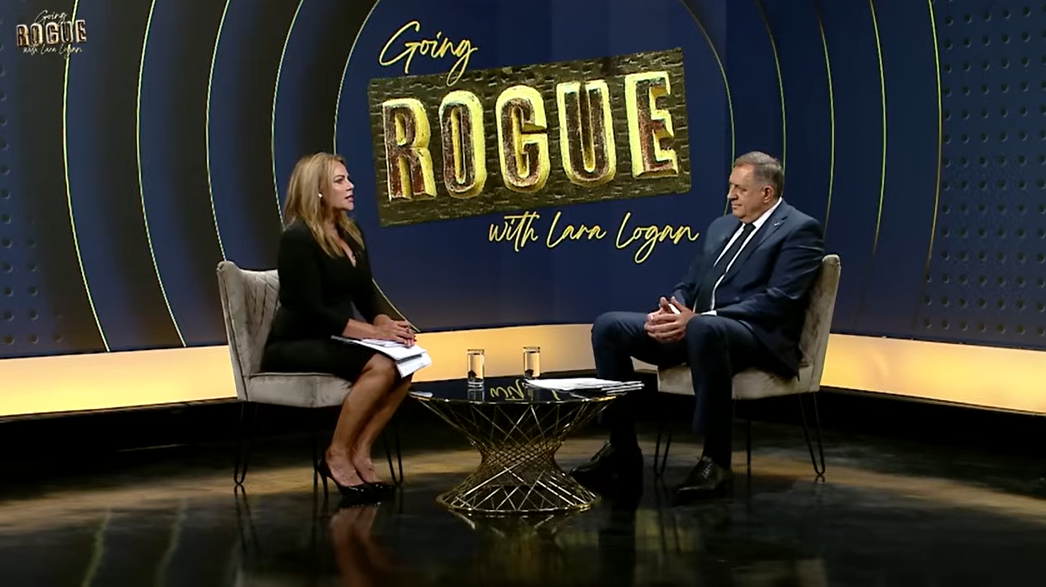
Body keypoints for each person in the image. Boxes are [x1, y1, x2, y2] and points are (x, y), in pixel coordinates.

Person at [572, 151, 826, 500]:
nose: (730, 195)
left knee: (705, 330)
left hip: (757, 336)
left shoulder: (799, 229)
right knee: (609, 326)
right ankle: (622, 447)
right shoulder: (722, 227)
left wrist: (701, 319)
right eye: (730, 187)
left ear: (766, 193)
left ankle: (715, 462)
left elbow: (778, 301)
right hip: (700, 330)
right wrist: (671, 310)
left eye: (740, 189)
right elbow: (690, 283)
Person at [262, 152, 417, 504]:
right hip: (296, 342)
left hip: (335, 337)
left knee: (406, 363)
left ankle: (360, 451)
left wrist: (386, 324)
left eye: (347, 179)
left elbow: (366, 294)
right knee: (382, 366)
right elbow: (312, 311)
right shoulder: (297, 238)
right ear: (317, 189)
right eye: (340, 181)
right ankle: (336, 454)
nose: (350, 186)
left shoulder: (351, 232)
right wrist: (375, 335)